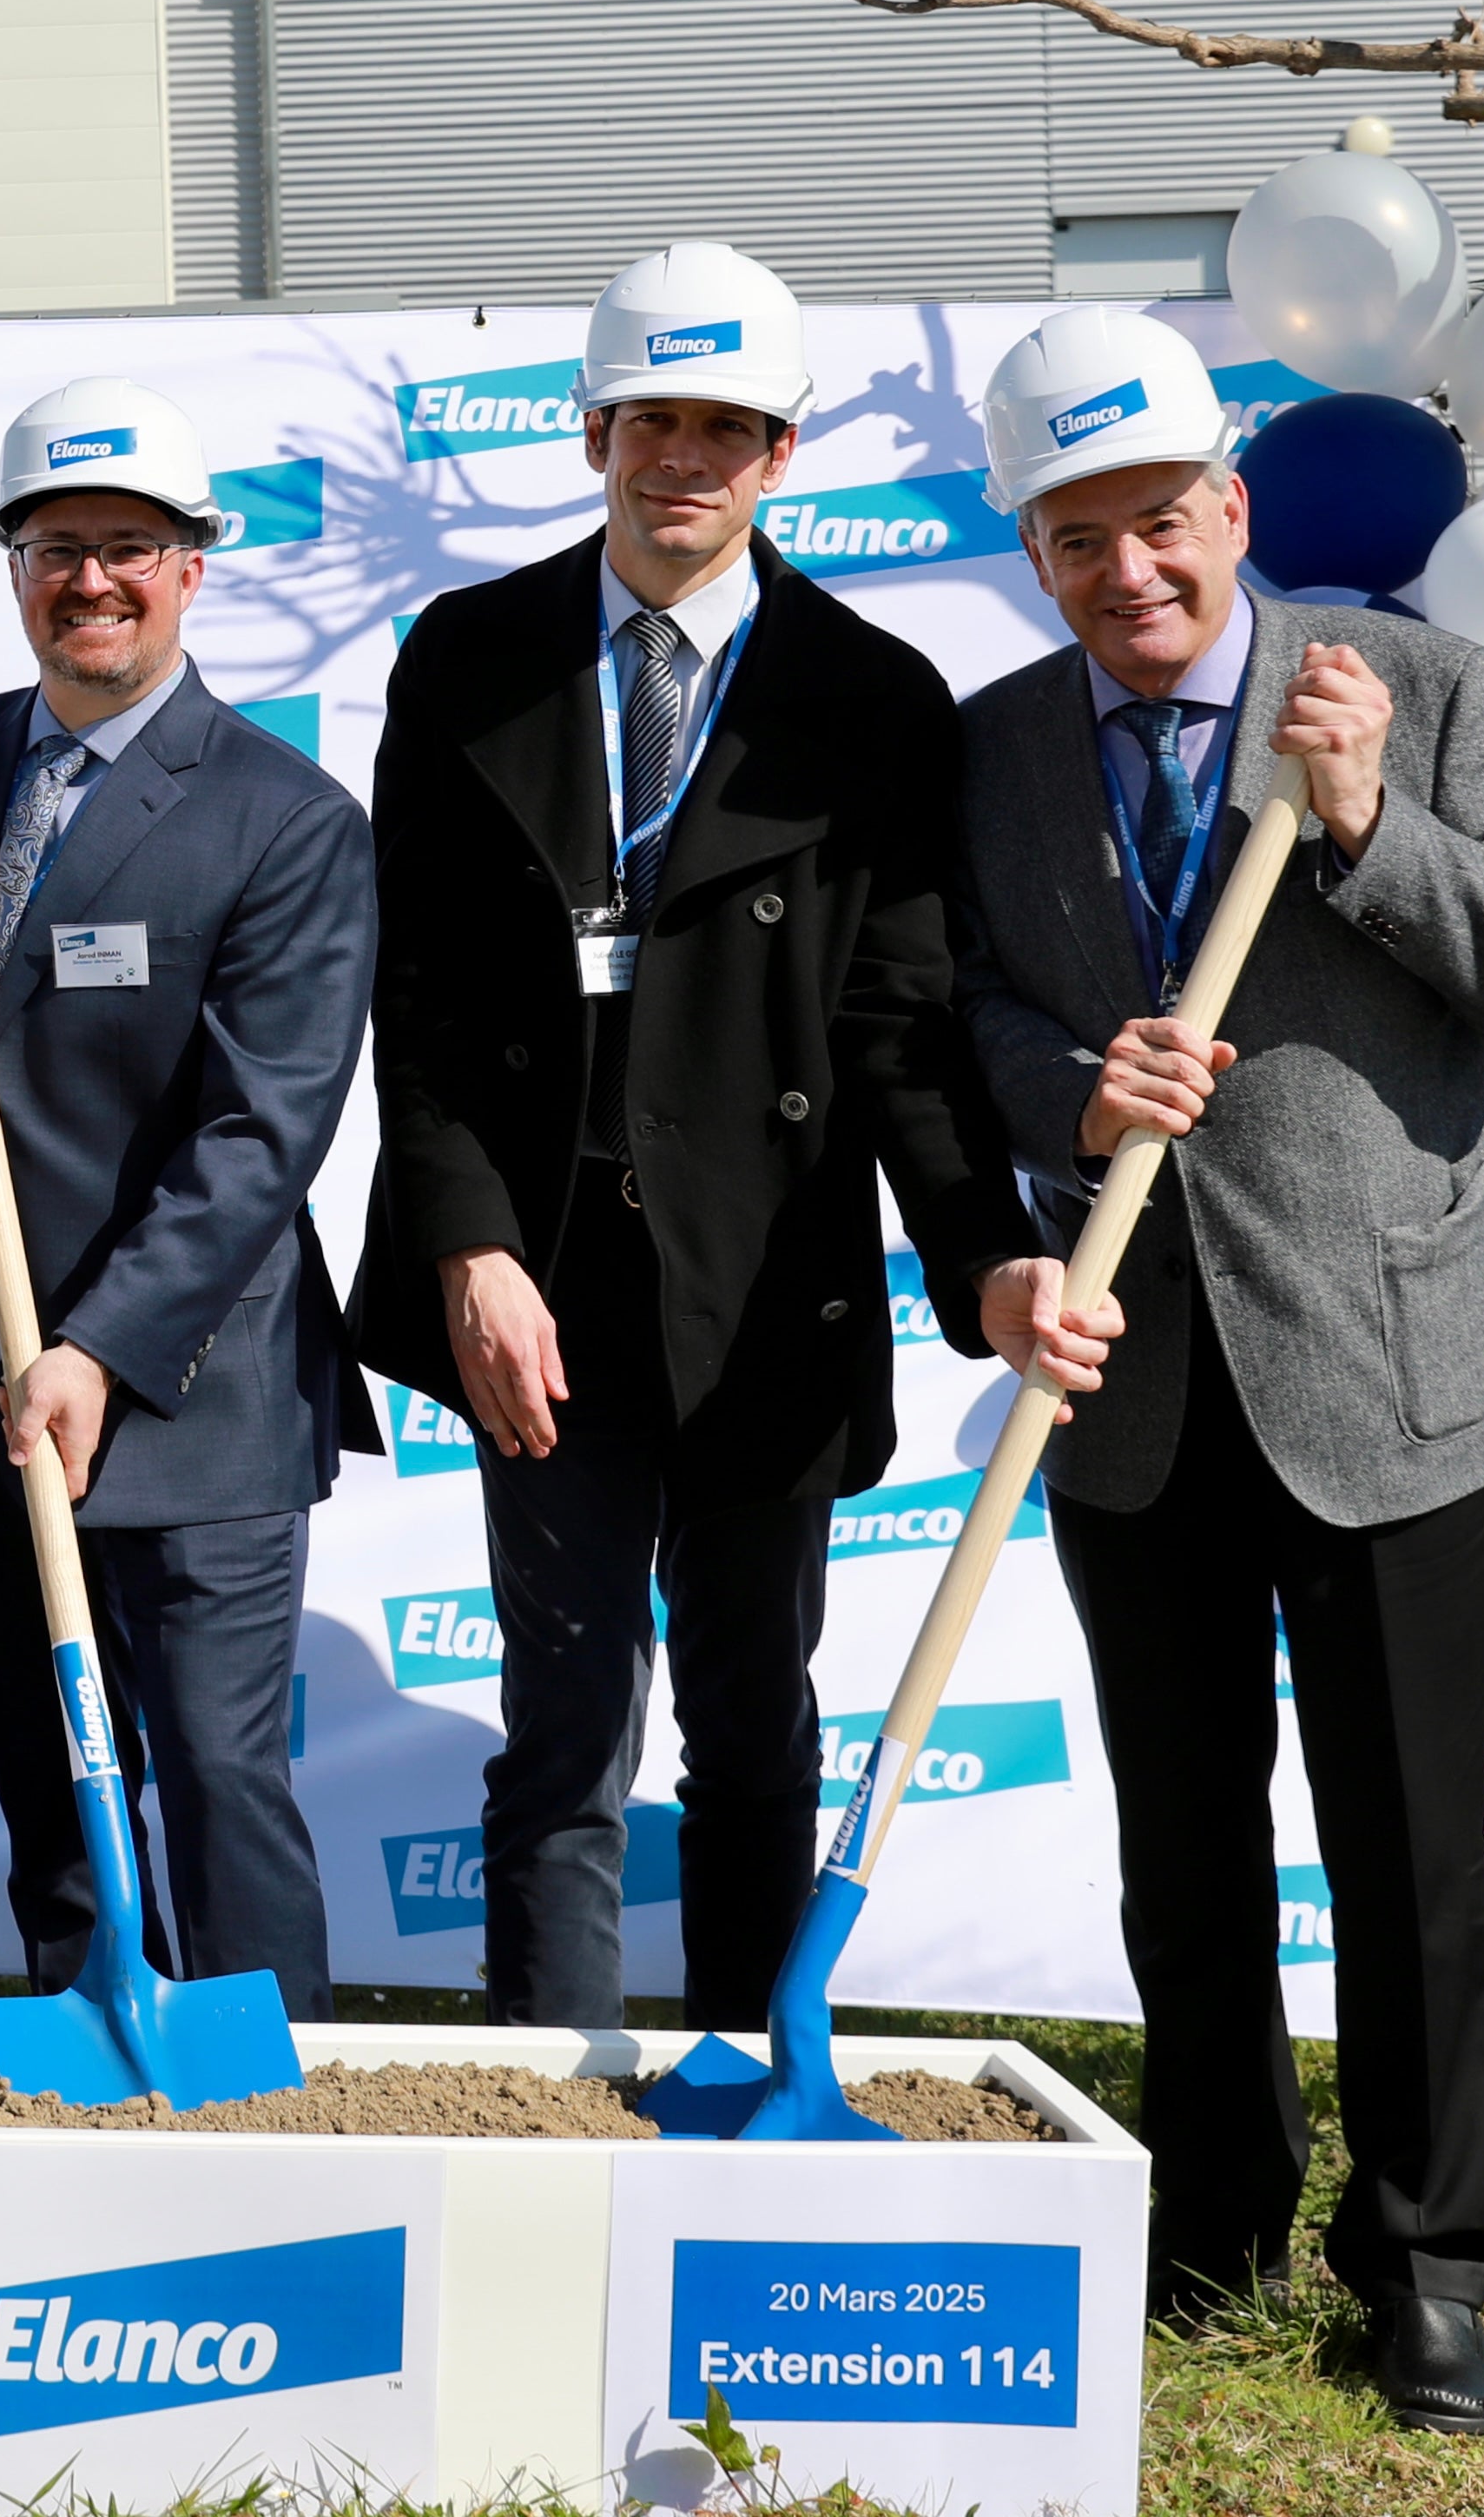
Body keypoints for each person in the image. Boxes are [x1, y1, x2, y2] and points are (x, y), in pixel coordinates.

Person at [354, 241, 1092, 2035]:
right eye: (651, 421)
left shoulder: (867, 693)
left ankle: (761, 2095)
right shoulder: (467, 659)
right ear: (591, 433)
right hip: (543, 1277)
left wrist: (984, 1257)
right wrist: (469, 1249)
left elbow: (900, 1031)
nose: (681, 458)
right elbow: (421, 995)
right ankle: (544, 2106)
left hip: (769, 1283)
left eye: (724, 429)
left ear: (780, 453)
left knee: (754, 1721)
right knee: (562, 1725)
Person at [952, 307, 1484, 2429]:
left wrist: (1368, 827)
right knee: (1183, 1844)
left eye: (1161, 520)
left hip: (1390, 1369)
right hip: (1135, 1368)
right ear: (1031, 550)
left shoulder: (1419, 693)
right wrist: (1072, 1088)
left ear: (1232, 505)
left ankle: (1427, 2263)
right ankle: (1210, 2222)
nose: (1129, 570)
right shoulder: (996, 748)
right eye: (1077, 535)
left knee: (1405, 1846)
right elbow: (968, 1012)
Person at [0, 378, 376, 2022]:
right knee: (52, 1796)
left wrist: (100, 1350)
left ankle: (272, 2103)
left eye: (128, 547)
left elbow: (260, 1137)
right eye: (55, 549)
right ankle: (81, 2078)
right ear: (13, 567)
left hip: (190, 1398)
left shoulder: (283, 817)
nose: (90, 580)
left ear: (191, 567)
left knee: (216, 1784)